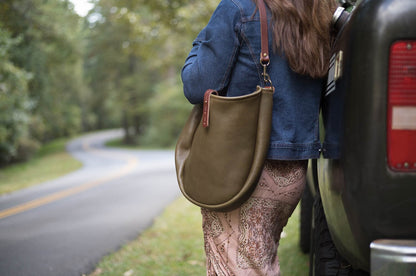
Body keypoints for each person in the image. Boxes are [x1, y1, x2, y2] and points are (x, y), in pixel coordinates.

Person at [181, 0, 338, 274]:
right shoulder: (317, 13)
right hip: (292, 173)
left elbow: (196, 85)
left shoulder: (240, 9)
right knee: (260, 264)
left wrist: (200, 43)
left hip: (242, 171)